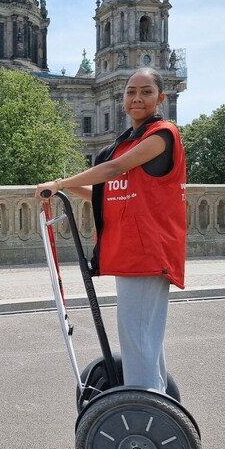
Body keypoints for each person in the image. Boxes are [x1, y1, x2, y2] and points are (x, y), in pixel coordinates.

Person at [35, 67, 186, 393]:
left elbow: (115, 169)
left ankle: (147, 418)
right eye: (131, 91)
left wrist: (61, 181)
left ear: (161, 98)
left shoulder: (162, 135)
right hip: (132, 253)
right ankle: (157, 403)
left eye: (146, 91)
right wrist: (66, 191)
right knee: (145, 340)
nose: (137, 98)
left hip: (147, 253)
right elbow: (109, 196)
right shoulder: (126, 141)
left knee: (139, 341)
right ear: (122, 98)